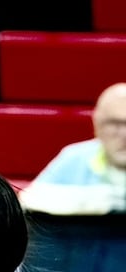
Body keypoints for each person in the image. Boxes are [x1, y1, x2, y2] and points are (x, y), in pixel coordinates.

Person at [19, 82, 126, 215]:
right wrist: (89, 201)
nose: (124, 134)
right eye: (114, 124)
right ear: (98, 126)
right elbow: (27, 201)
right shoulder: (75, 157)